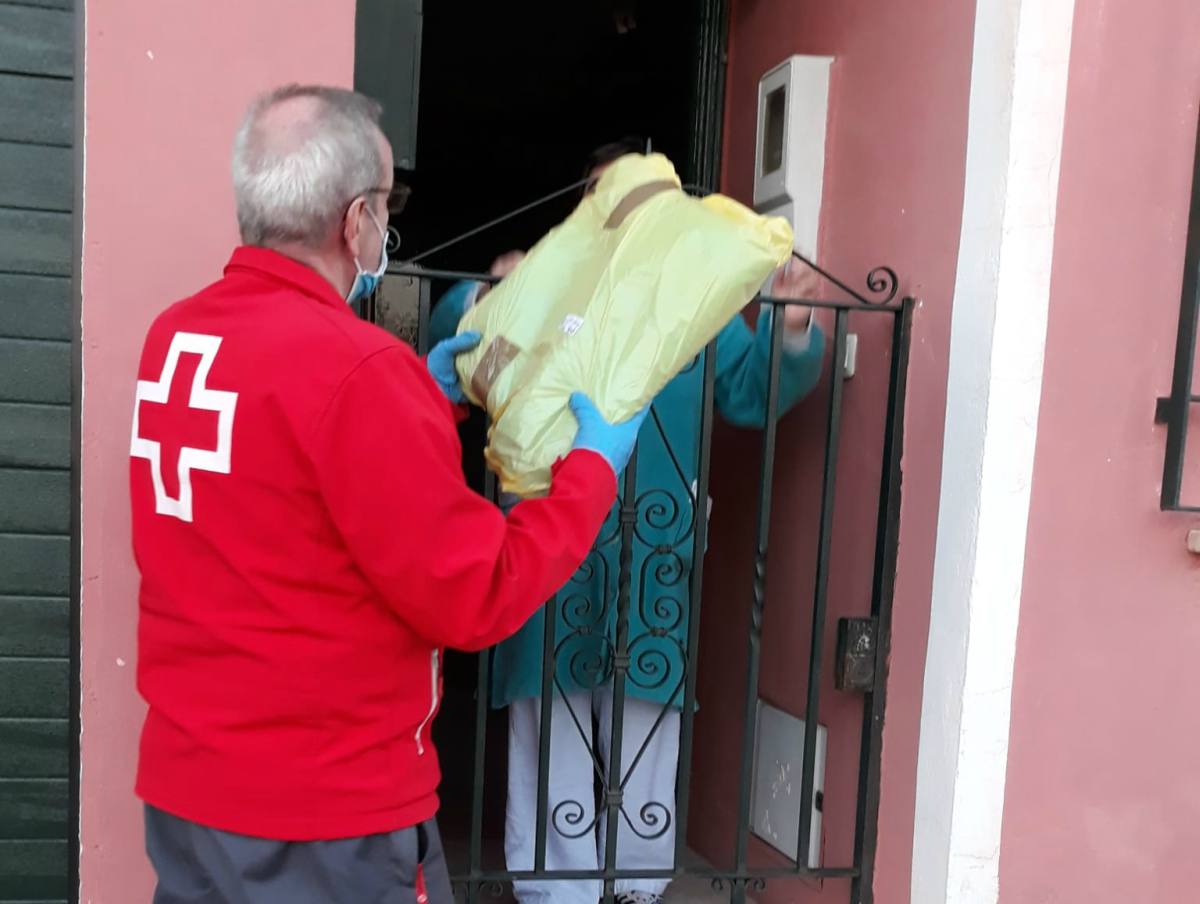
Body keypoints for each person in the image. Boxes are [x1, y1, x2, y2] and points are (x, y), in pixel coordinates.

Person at [129, 86, 646, 904]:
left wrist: (427, 403)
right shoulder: (362, 372)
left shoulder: (176, 337)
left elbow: (284, 483)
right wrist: (592, 471)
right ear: (355, 219)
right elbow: (478, 592)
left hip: (190, 796)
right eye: (387, 202)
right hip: (323, 817)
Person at [428, 139, 827, 904]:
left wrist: (796, 325)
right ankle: (555, 888)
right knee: (550, 703)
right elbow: (460, 346)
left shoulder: (690, 296)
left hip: (652, 532)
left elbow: (748, 391)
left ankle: (636, 885)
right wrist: (487, 290)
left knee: (650, 703)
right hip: (549, 524)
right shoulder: (551, 279)